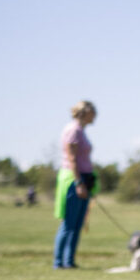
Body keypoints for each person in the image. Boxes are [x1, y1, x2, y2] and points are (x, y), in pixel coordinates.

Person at [53, 100, 98, 269]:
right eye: (93, 112)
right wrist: (79, 183)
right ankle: (59, 262)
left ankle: (69, 261)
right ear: (84, 112)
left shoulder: (81, 131)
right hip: (74, 180)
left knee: (78, 224)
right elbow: (72, 159)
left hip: (85, 179)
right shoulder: (73, 130)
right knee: (69, 223)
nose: (95, 116)